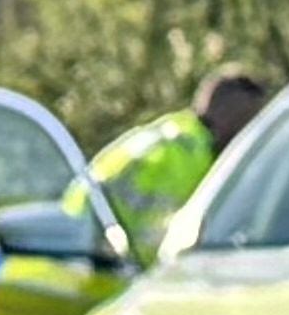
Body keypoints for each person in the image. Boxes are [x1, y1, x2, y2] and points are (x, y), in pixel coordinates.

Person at [86, 66, 270, 242]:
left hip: (82, 244)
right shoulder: (189, 157)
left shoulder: (176, 132)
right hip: (101, 259)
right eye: (248, 121)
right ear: (229, 115)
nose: (249, 135)